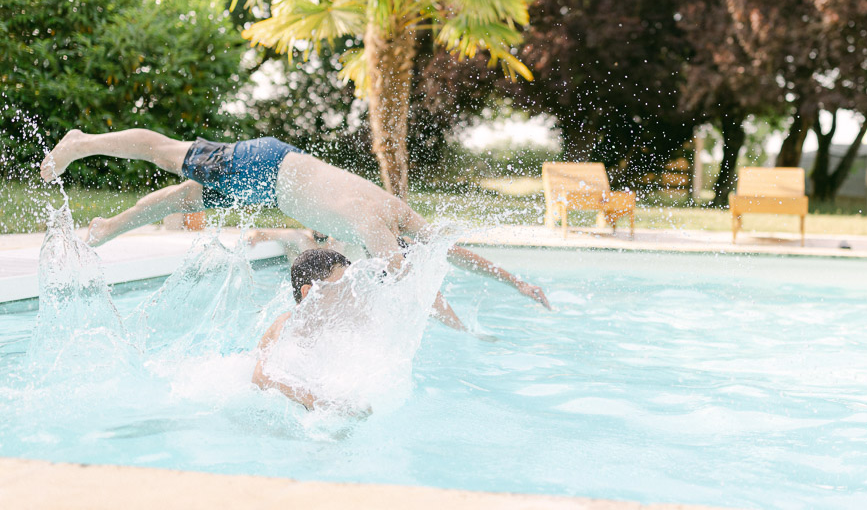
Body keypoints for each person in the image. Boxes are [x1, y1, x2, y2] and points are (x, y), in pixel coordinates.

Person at [40, 129, 552, 327]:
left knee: (188, 194)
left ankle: (110, 226)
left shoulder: (398, 212)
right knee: (166, 153)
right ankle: (81, 142)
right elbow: (411, 284)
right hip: (268, 168)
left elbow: (450, 250)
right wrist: (461, 329)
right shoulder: (380, 222)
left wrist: (517, 282)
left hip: (270, 187)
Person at [252, 247, 355, 411]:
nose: (350, 295)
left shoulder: (331, 330)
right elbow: (261, 377)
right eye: (340, 287)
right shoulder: (287, 325)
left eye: (350, 286)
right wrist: (323, 404)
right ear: (309, 292)